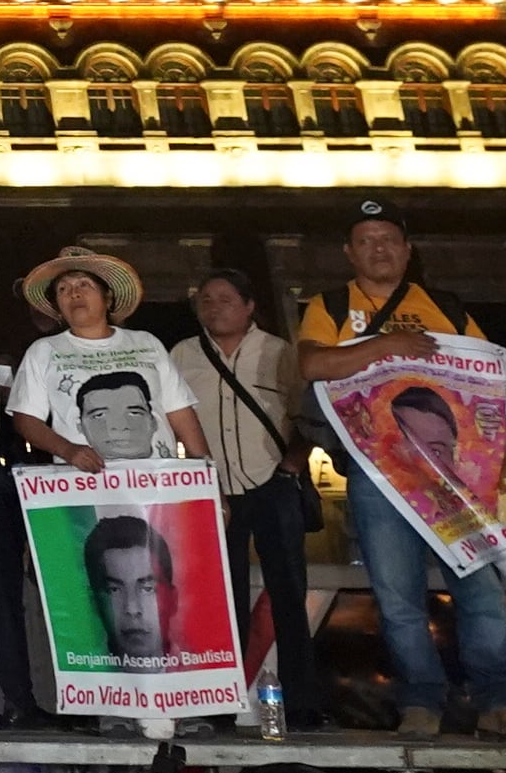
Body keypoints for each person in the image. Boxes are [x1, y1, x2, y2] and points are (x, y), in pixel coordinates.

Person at [296, 197, 506, 743]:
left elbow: (490, 389)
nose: (379, 248)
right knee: (397, 598)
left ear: (407, 251)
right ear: (348, 253)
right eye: (366, 240)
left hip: (456, 476)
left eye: (388, 239)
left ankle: (499, 701)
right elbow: (312, 364)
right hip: (377, 475)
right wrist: (387, 345)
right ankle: (421, 702)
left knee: (481, 590)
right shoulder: (331, 305)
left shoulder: (447, 307)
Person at [169, 267, 318, 732]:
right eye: (206, 301)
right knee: (219, 599)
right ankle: (218, 703)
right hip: (212, 489)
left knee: (289, 595)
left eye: (226, 299)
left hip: (272, 483)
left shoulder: (280, 353)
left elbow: (310, 415)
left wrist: (291, 466)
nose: (214, 307)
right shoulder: (181, 356)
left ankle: (305, 704)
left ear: (250, 305)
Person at [9, 246, 209, 470]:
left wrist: (211, 483)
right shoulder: (43, 351)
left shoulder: (146, 343)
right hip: (83, 486)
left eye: (84, 284)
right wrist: (68, 450)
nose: (73, 293)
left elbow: (181, 414)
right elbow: (26, 418)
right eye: (63, 289)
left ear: (108, 296)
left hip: (158, 484)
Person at [81, 516, 176, 660]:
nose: (132, 609)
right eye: (114, 590)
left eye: (147, 589)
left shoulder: (205, 669)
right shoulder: (82, 670)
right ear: (94, 603)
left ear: (173, 600)